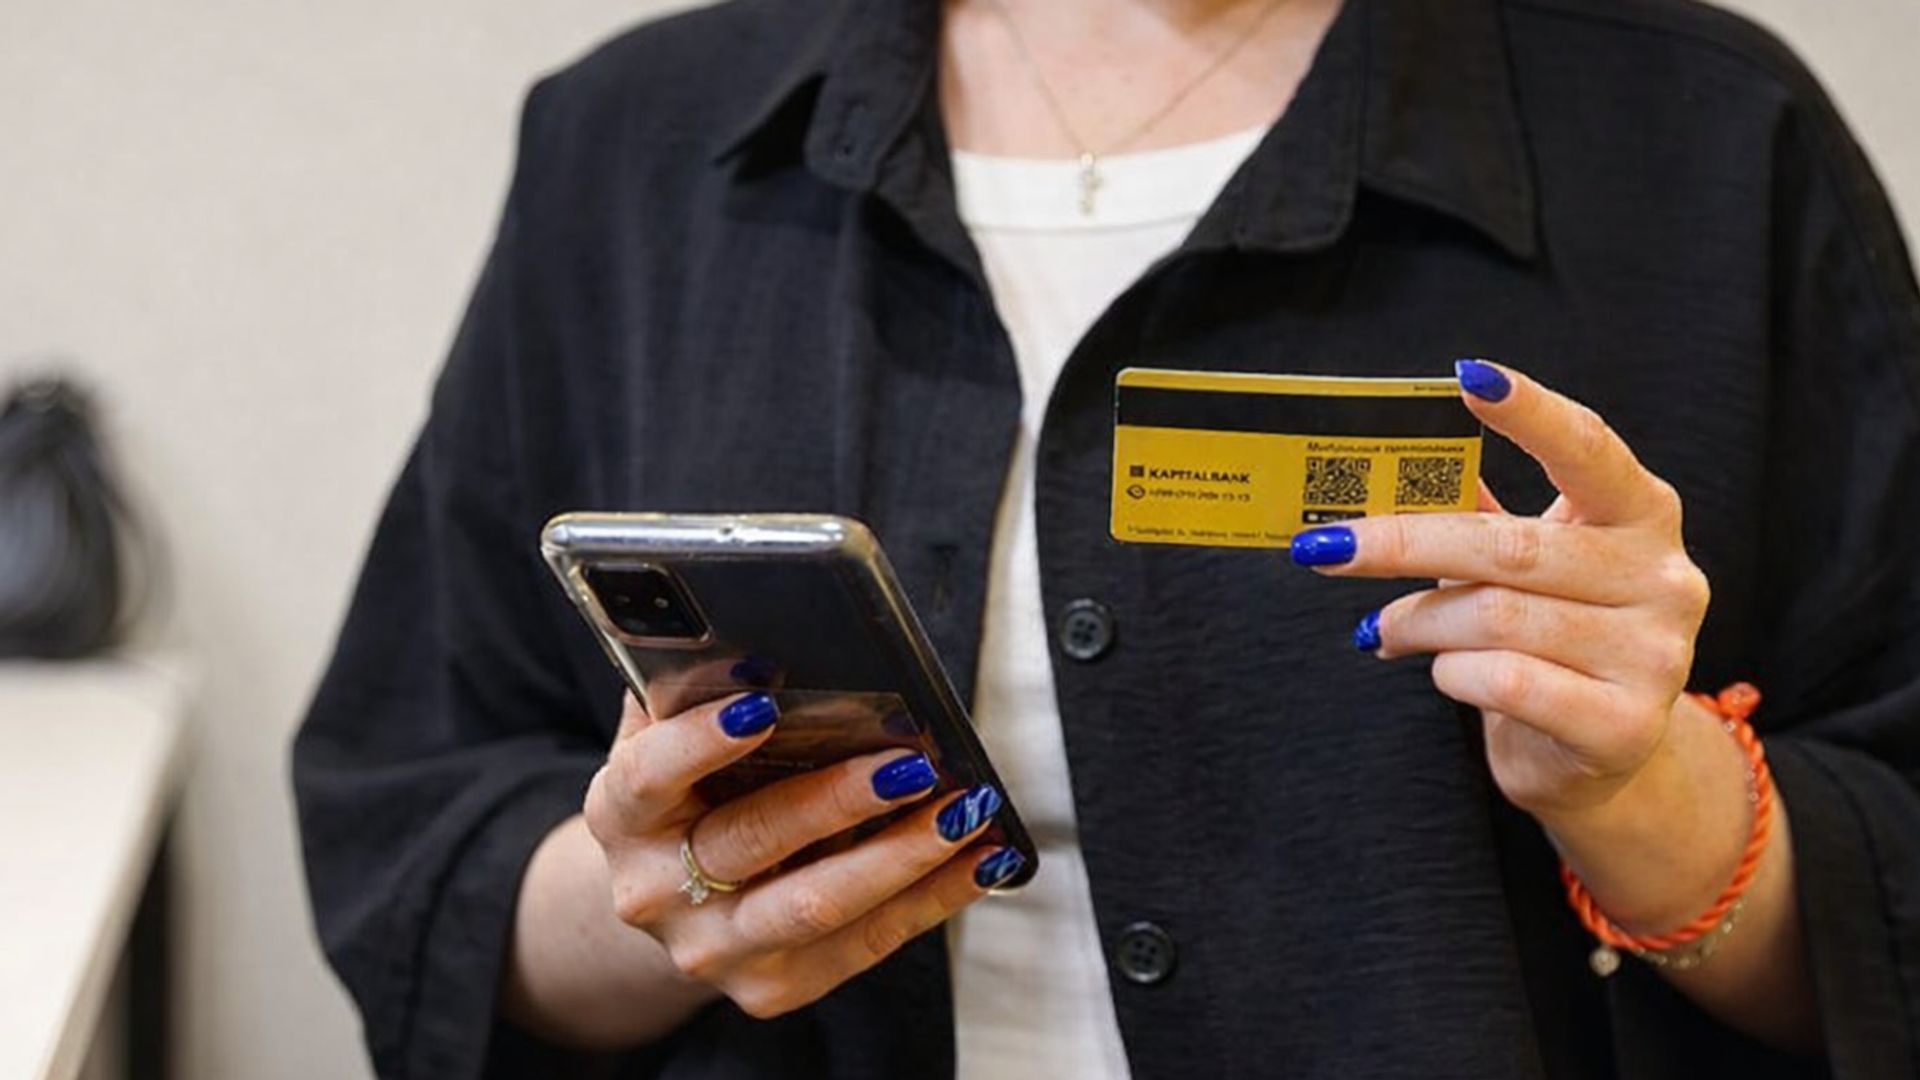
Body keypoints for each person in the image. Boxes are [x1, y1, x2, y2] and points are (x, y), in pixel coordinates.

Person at [292, 0, 1920, 1077]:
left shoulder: (1710, 137)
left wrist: (1645, 796)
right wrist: (668, 900)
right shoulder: (634, 146)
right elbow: (423, 825)